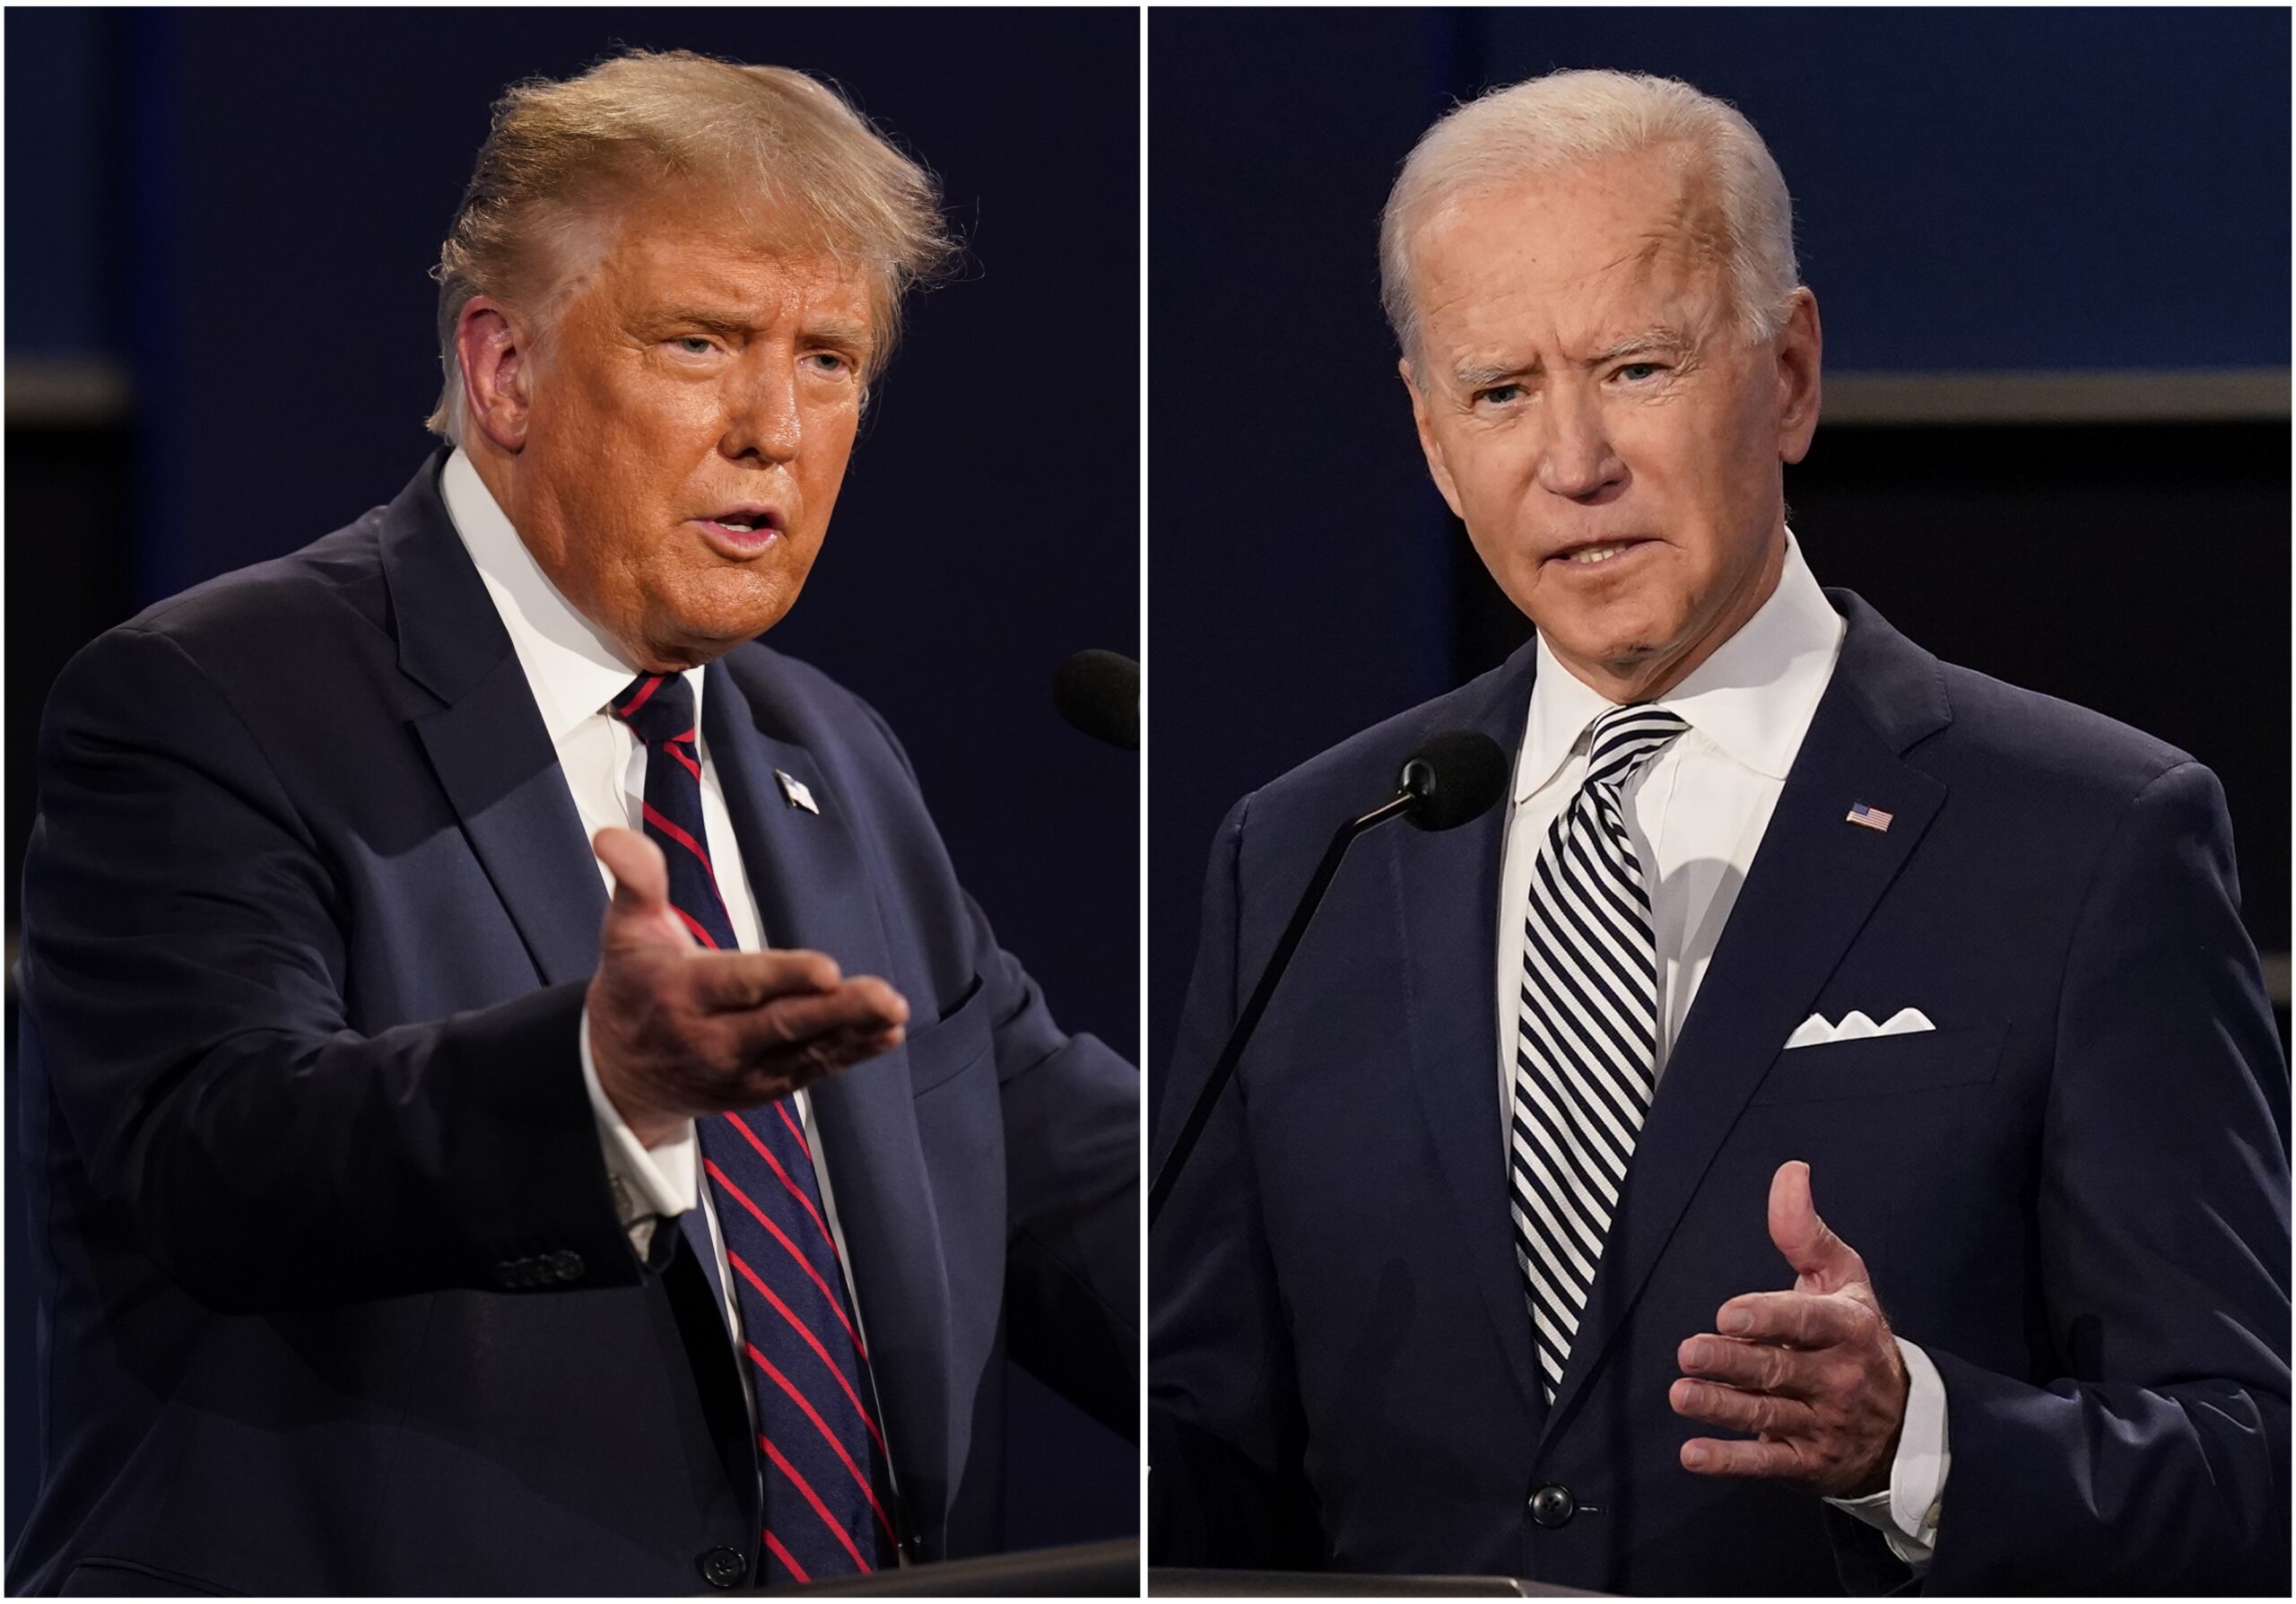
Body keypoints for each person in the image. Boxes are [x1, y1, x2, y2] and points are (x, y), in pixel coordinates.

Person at [1149, 68, 2288, 1593]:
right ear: (1432, 441)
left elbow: (2250, 1468)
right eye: (1501, 392)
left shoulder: (2092, 837)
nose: (1572, 463)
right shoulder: (1311, 848)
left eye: (1635, 367)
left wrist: (1918, 1441)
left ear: (1792, 374)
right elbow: (1208, 1448)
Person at [13, 49, 1135, 1596]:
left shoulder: (831, 755)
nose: (774, 427)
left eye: (830, 359)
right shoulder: (209, 699)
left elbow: (1076, 1196)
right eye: (701, 342)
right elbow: (218, 1155)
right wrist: (599, 1086)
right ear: (506, 372)